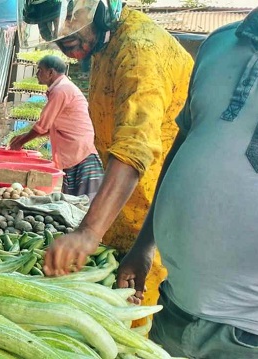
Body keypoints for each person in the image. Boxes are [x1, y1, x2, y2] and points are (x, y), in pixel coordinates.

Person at [17, 0, 194, 313]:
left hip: (155, 229)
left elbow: (134, 147)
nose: (60, 38)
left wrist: (89, 232)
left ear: (100, 6)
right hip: (124, 217)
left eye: (70, 22)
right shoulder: (103, 45)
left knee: (135, 323)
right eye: (52, 29)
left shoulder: (139, 49)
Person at [115, 4, 258, 357]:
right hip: (175, 308)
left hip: (253, 334)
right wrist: (144, 246)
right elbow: (184, 144)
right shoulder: (220, 43)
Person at [8, 55, 102, 199]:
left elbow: (42, 125)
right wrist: (23, 137)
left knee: (82, 201)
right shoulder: (61, 88)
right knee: (74, 198)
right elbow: (47, 127)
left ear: (51, 73)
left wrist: (21, 142)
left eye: (40, 70)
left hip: (79, 150)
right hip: (76, 149)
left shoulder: (61, 90)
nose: (37, 74)